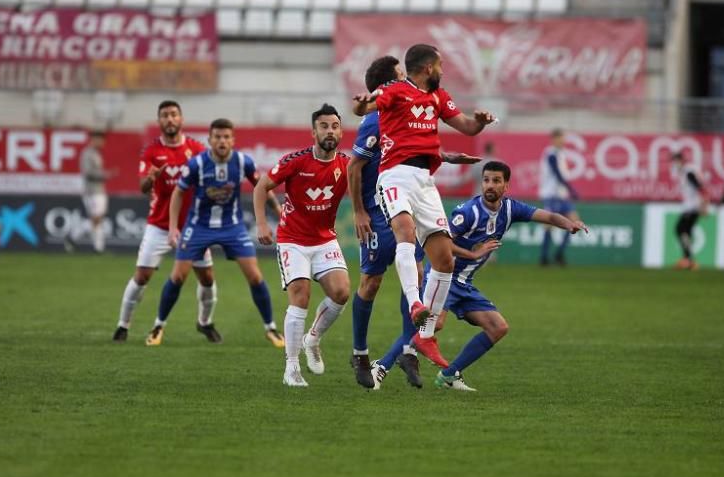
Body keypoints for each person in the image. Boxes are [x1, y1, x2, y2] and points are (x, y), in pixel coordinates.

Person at [374, 161, 587, 391]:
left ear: (506, 185)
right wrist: (472, 253)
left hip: (465, 284)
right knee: (431, 325)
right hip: (445, 278)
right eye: (486, 180)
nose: (490, 185)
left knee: (498, 327)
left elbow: (547, 217)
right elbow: (441, 245)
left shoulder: (511, 209)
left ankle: (449, 375)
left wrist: (569, 224)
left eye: (496, 181)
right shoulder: (468, 213)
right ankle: (381, 367)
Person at [351, 43, 496, 358]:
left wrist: (480, 121)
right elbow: (365, 108)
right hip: (394, 175)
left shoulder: (439, 97)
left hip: (425, 181)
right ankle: (415, 301)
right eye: (441, 64)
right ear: (428, 67)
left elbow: (468, 127)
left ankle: (425, 337)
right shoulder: (395, 90)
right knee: (404, 231)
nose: (444, 70)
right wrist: (364, 103)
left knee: (445, 260)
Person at [145, 118, 282, 348]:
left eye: (226, 137)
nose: (222, 141)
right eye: (217, 137)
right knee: (178, 276)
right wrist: (172, 228)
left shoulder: (242, 161)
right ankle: (158, 326)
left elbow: (262, 187)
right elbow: (178, 194)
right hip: (198, 226)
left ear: (232, 140)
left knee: (255, 276)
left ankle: (271, 328)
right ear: (209, 140)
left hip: (233, 227)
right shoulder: (196, 164)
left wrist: (278, 211)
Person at [253, 104, 352, 388]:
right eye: (324, 126)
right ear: (313, 132)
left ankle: (313, 339)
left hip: (324, 239)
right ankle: (292, 368)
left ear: (341, 131)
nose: (330, 131)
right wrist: (262, 224)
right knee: (301, 295)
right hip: (292, 240)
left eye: (334, 126)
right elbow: (261, 187)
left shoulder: (346, 164)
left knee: (342, 292)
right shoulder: (295, 161)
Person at [113, 101, 223, 343]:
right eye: (165, 116)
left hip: (193, 228)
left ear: (181, 119)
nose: (170, 119)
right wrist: (151, 178)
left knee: (207, 278)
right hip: (160, 226)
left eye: (174, 115)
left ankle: (205, 323)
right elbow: (143, 188)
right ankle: (123, 325)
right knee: (142, 276)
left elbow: (210, 179)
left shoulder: (196, 149)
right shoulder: (151, 152)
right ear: (159, 121)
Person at [538, 129, 579, 266]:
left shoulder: (560, 153)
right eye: (561, 138)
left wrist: (568, 190)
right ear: (554, 139)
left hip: (561, 195)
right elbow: (557, 174)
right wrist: (572, 189)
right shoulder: (551, 153)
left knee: (574, 222)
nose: (563, 141)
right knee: (549, 225)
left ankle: (559, 254)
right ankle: (544, 258)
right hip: (551, 195)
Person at [670, 150, 707, 270]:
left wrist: (704, 205)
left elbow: (701, 188)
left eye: (675, 161)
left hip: (692, 207)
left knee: (680, 229)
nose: (674, 164)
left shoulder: (688, 172)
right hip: (691, 206)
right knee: (685, 231)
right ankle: (689, 260)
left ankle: (688, 259)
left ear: (681, 160)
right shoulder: (685, 172)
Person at [80, 130, 113, 253]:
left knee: (98, 219)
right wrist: (105, 175)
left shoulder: (96, 153)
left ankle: (98, 247)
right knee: (96, 218)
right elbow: (88, 173)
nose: (102, 142)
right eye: (100, 139)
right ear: (94, 139)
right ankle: (98, 247)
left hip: (99, 190)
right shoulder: (87, 153)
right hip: (91, 191)